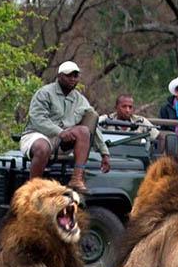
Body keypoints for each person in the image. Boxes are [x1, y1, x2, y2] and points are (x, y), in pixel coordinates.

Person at [19, 60, 111, 192]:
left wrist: (104, 153)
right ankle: (32, 188)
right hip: (37, 134)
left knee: (84, 131)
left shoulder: (79, 99)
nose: (73, 79)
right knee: (42, 148)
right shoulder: (45, 93)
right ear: (59, 76)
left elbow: (93, 125)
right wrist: (59, 131)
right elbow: (37, 119)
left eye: (76, 76)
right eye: (69, 75)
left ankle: (76, 179)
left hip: (61, 141)